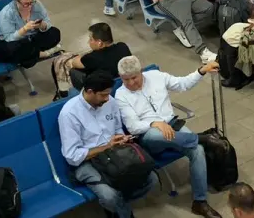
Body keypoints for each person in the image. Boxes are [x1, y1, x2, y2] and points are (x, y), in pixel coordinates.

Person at [115, 56, 223, 218]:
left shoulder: (156, 76)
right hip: (149, 135)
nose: (130, 83)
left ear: (141, 72)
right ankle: (201, 138)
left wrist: (202, 71)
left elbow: (182, 84)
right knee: (158, 135)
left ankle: (199, 202)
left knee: (197, 150)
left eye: (134, 78)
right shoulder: (121, 95)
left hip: (173, 126)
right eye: (125, 79)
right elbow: (133, 127)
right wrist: (154, 123)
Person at [59, 71, 158, 218]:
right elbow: (72, 156)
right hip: (87, 161)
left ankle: (118, 207)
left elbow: (117, 128)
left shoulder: (110, 102)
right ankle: (122, 211)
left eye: (108, 94)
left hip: (114, 153)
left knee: (151, 179)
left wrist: (121, 138)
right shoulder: (69, 114)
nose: (107, 98)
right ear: (90, 92)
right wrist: (107, 146)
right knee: (110, 196)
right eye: (103, 95)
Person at [0, 0, 63, 68]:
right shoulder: (7, 13)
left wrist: (42, 25)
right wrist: (24, 29)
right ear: (17, 1)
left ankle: (30, 55)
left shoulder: (37, 4)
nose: (30, 6)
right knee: (14, 48)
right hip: (10, 42)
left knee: (54, 33)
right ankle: (42, 54)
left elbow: (48, 23)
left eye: (31, 2)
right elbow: (9, 38)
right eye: (26, 4)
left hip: (31, 39)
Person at [53, 22, 132, 97]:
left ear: (99, 43)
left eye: (91, 39)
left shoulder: (93, 58)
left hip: (101, 90)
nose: (88, 42)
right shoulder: (123, 47)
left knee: (63, 62)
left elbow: (74, 62)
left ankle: (63, 92)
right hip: (122, 84)